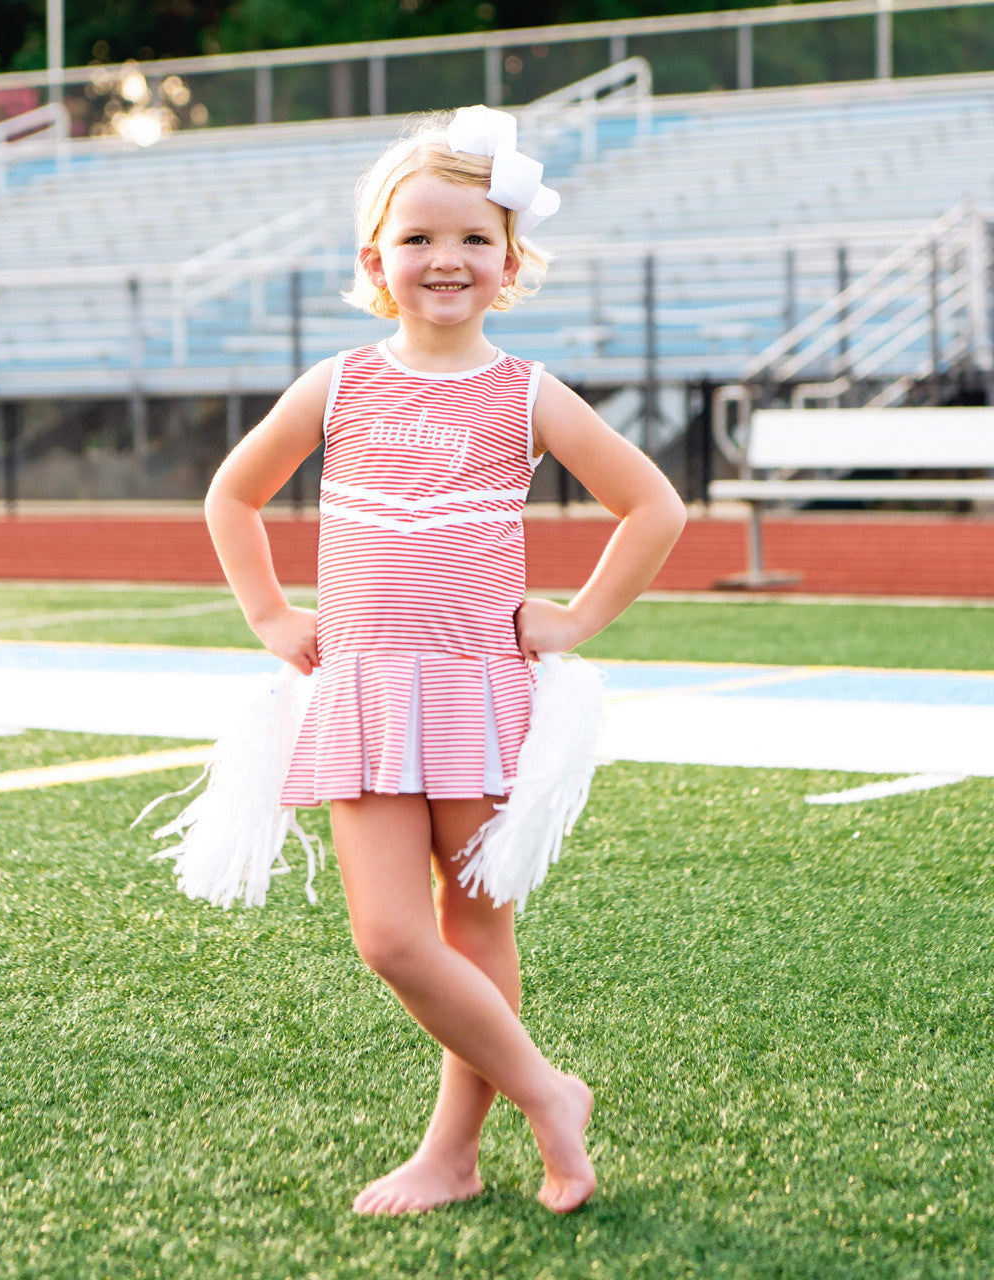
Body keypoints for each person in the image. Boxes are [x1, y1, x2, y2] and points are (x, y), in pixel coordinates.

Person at [203, 105, 687, 1217]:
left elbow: (650, 505)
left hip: (478, 688)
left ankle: (454, 1154)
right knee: (389, 936)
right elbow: (234, 492)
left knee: (475, 927)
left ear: (509, 258)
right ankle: (546, 1088)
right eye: (418, 237)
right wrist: (273, 615)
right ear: (375, 258)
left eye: (472, 237)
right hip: (361, 690)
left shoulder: (526, 393)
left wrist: (576, 618)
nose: (445, 259)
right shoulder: (339, 382)